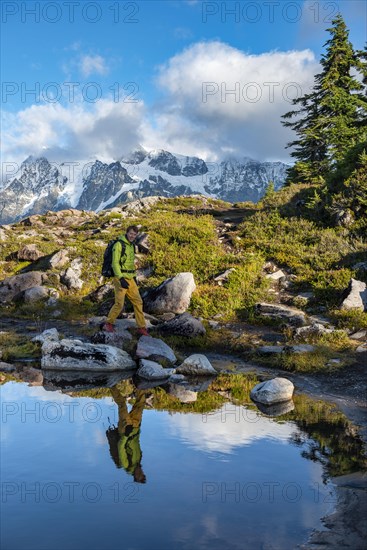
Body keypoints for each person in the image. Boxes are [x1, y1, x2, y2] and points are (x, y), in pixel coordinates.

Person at [103, 225, 148, 335]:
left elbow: (130, 263)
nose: (132, 236)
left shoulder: (132, 246)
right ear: (127, 233)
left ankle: (141, 327)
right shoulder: (119, 245)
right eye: (131, 233)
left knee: (138, 302)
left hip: (130, 277)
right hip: (120, 278)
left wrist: (134, 277)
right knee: (119, 304)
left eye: (134, 234)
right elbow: (115, 263)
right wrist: (121, 278)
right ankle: (108, 324)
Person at [106, 383, 147, 483]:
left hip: (125, 430)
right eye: (142, 474)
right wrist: (138, 427)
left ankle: (111, 384)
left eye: (139, 475)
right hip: (136, 426)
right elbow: (137, 441)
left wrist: (125, 435)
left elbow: (121, 447)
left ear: (135, 476)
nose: (141, 472)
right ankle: (137, 381)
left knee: (122, 405)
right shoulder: (139, 460)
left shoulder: (126, 465)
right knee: (141, 403)